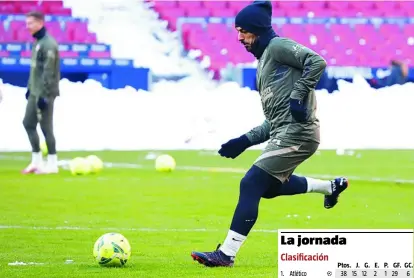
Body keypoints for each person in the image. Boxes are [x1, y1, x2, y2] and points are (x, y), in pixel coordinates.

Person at [191, 1, 348, 267]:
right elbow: (273, 121)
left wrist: (298, 96)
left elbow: (316, 61)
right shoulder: (264, 62)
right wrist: (243, 141)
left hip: (299, 133)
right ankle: (330, 187)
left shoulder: (277, 46)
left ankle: (226, 254)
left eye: (244, 31)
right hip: (287, 131)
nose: (239, 37)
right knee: (269, 188)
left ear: (259, 30)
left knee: (251, 183)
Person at [22, 11, 60, 174]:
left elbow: (49, 73)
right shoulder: (37, 42)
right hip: (35, 91)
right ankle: (36, 161)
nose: (27, 26)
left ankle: (52, 163)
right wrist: (30, 88)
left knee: (46, 127)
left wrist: (44, 95)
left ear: (40, 23)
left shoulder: (49, 44)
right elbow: (35, 71)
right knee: (28, 123)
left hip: (45, 93)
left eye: (30, 23)